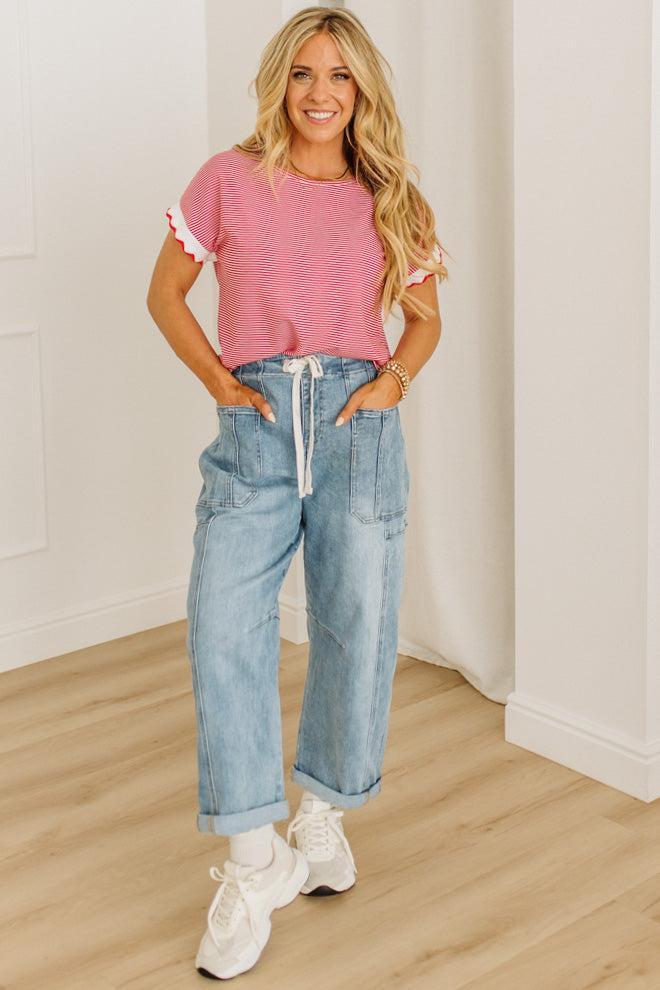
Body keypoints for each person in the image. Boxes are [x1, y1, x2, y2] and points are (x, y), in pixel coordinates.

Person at [146, 5, 446, 981]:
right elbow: (166, 292)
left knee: (357, 622)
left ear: (363, 90)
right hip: (261, 419)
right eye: (305, 73)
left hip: (357, 423)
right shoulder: (228, 179)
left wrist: (390, 383)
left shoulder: (391, 193)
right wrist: (222, 385)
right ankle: (250, 856)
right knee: (222, 621)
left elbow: (425, 317)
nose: (321, 93)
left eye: (341, 77)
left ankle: (320, 812)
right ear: (280, 80)